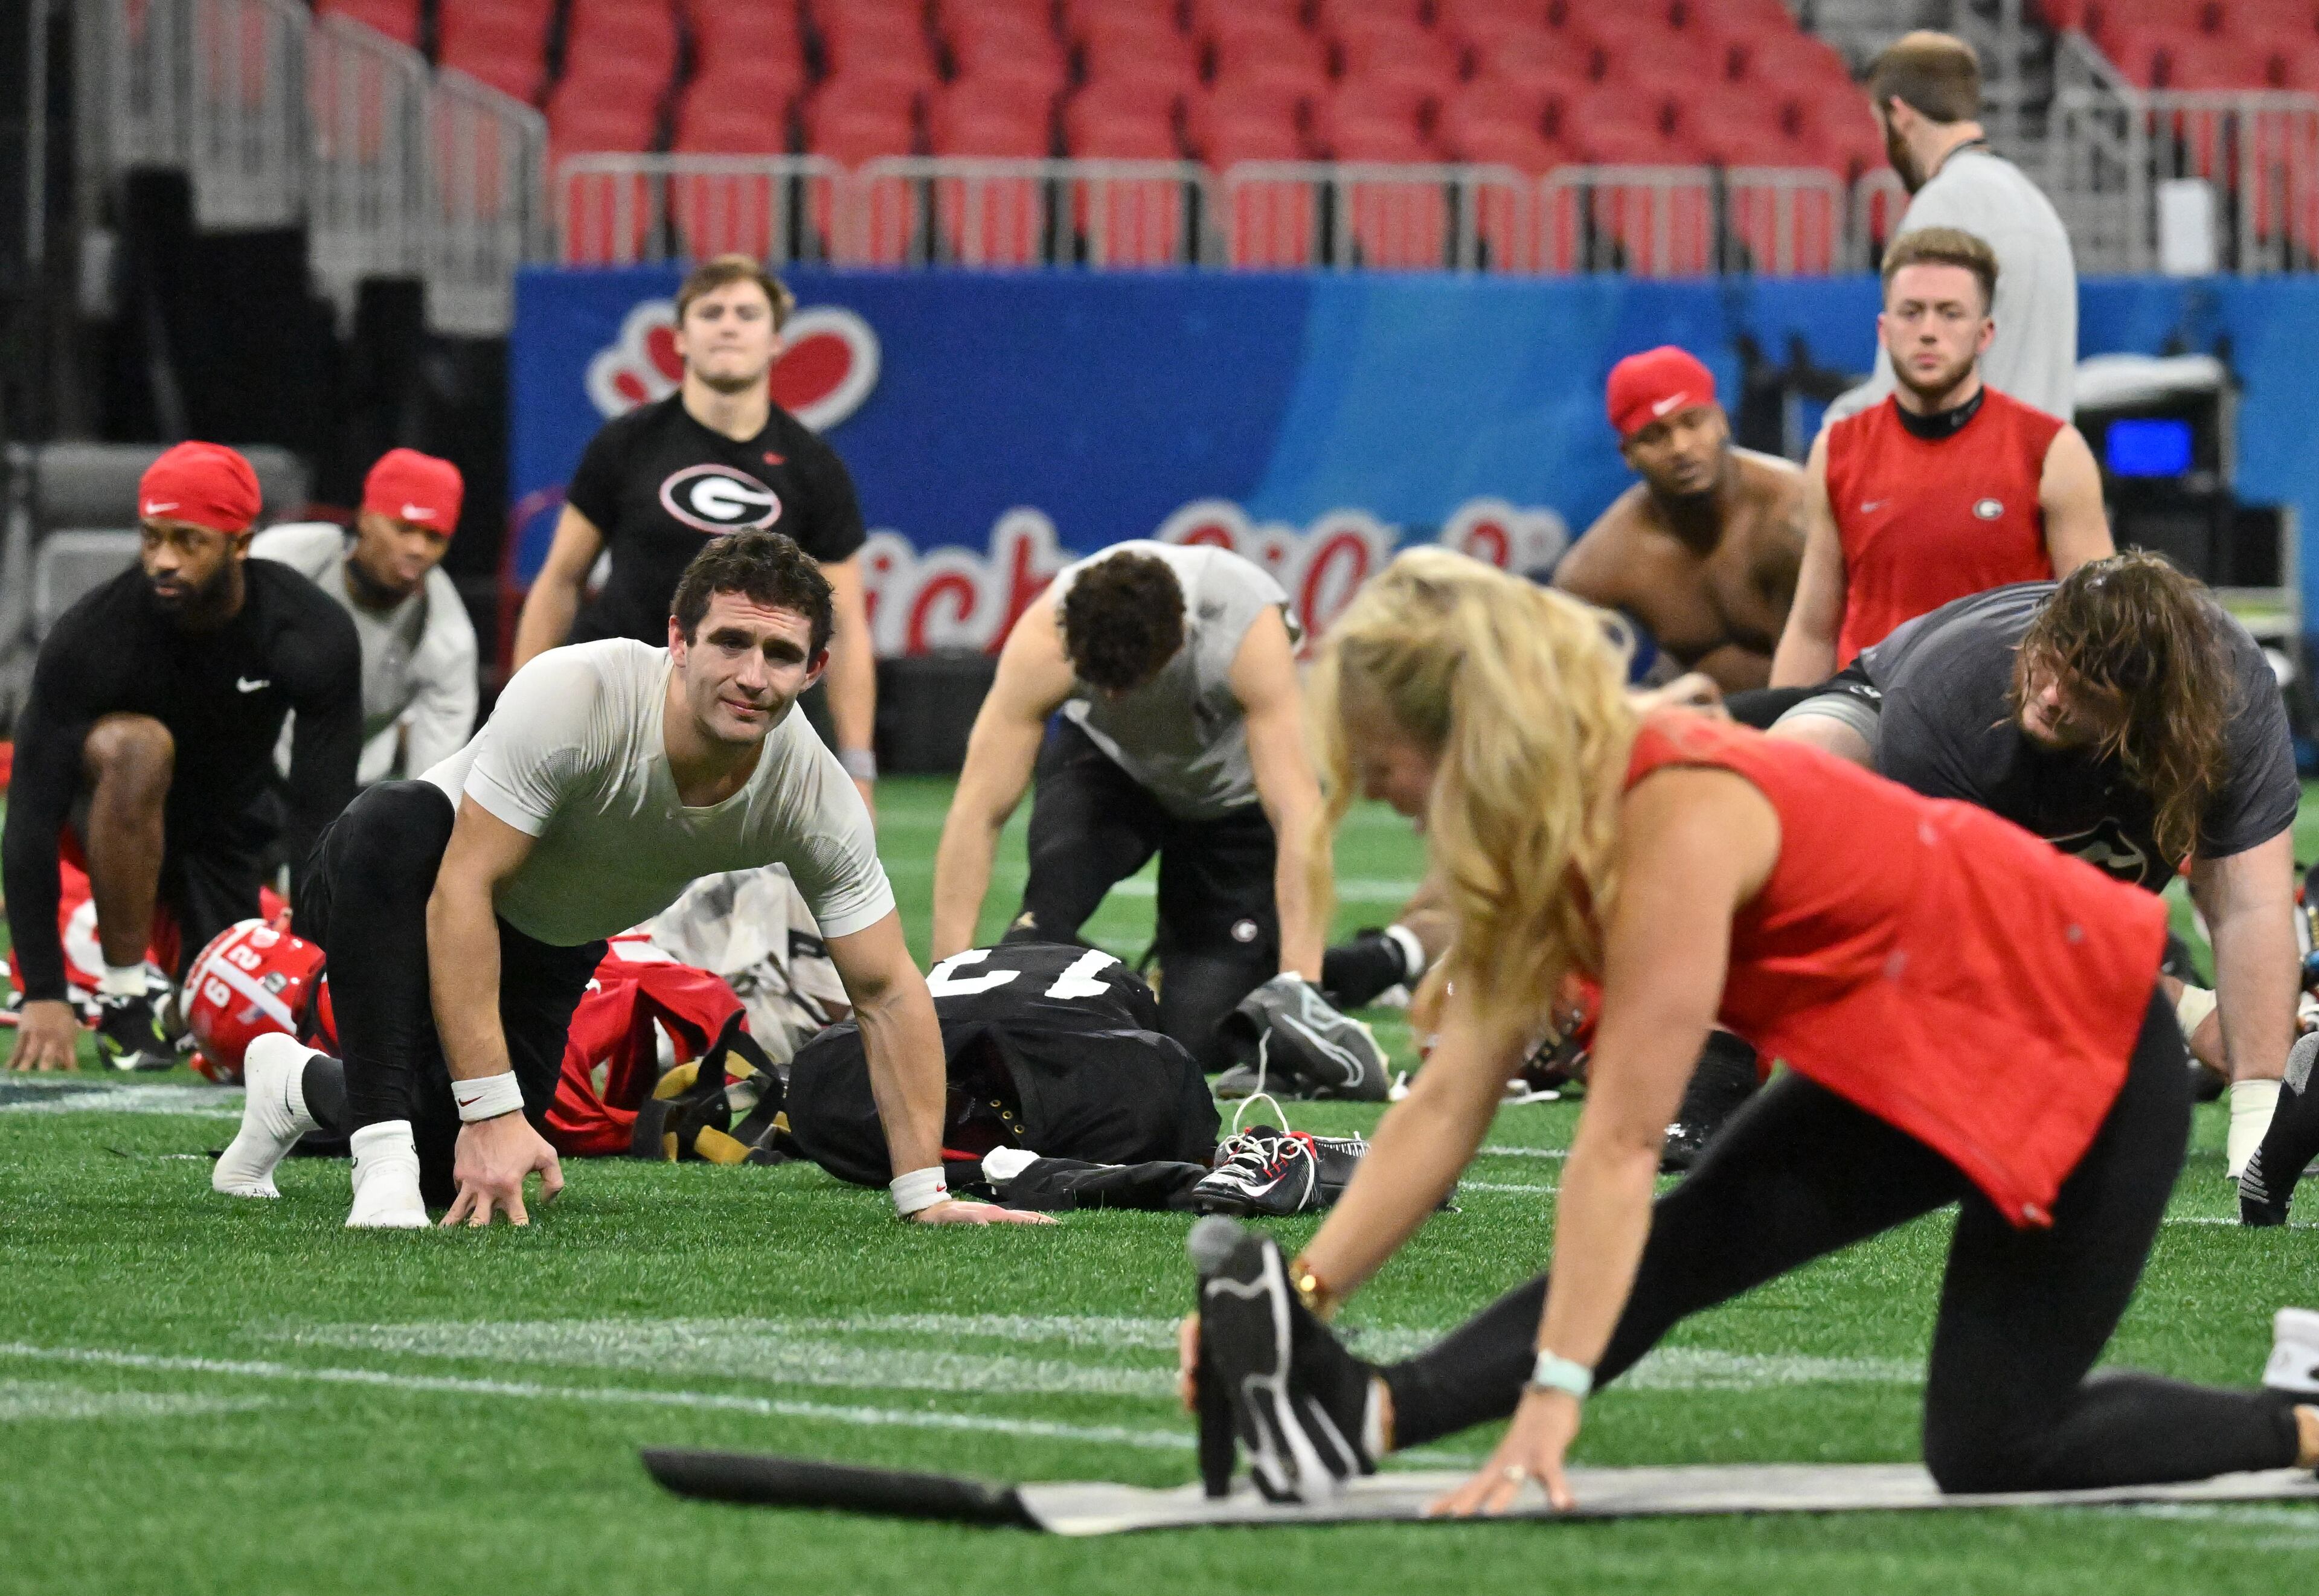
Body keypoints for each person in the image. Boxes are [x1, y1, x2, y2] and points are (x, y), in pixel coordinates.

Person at [1181, 548, 2318, 1510]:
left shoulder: (1671, 809)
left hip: (2086, 1041)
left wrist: (1551, 1400)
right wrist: (1303, 1296)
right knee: (1695, 1239)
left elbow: (1619, 1146)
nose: (1380, 796)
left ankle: (2304, 1422)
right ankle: (1363, 1412)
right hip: (1928, 1032)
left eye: (1386, 766)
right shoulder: (1549, 821)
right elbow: (1444, 1100)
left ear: (1472, 735)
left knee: (1992, 1447)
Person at [213, 530, 1045, 1231]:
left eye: (781, 654)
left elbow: (887, 988)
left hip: (549, 949)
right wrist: (489, 1108)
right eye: (731, 641)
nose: (753, 675)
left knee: (463, 1172)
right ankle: (380, 1158)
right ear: (678, 639)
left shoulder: (812, 792)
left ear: (815, 668)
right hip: (400, 892)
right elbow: (460, 888)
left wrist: (924, 1192)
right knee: (395, 821)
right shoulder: (578, 692)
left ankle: (297, 1083)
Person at [1773, 556, 2300, 1203]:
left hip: (2106, 806)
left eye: (2087, 687)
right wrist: (2180, 1009)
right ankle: (1722, 1060)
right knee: (1782, 782)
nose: (2051, 695)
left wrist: (2261, 1110)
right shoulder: (1950, 690)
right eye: (2052, 662)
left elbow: (2252, 905)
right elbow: (1952, 936)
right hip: (1913, 743)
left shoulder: (2233, 705)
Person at [3, 443, 360, 1072]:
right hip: (98, 829)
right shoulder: (93, 636)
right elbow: (30, 814)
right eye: (151, 538)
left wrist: (314, 973)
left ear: (240, 544)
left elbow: (320, 814)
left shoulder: (310, 631)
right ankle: (118, 997)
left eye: (188, 541)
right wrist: (44, 994)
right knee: (141, 747)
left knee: (238, 1038)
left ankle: (164, 996)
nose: (163, 560)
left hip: (225, 832)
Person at [931, 541, 1338, 1077]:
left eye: (1131, 682)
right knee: (1033, 943)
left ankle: (1377, 960)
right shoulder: (1046, 637)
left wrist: (1299, 989)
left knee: (1201, 1036)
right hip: (1112, 771)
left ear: (1179, 641)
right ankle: (1115, 978)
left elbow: (1297, 812)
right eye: (1102, 682)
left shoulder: (1242, 628)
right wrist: (943, 982)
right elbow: (977, 810)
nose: (1118, 698)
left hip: (1230, 802)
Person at [511, 254, 880, 813]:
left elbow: (846, 627)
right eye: (711, 312)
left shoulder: (815, 468)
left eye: (747, 313)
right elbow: (560, 582)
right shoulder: (625, 444)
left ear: (776, 341)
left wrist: (857, 766)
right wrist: (519, 716)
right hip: (621, 709)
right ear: (680, 339)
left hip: (747, 717)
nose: (729, 325)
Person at [1771, 227, 2112, 688]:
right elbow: (1814, 628)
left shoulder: (2053, 451)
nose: (1929, 331)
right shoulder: (1836, 450)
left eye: (1950, 314)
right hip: (1871, 703)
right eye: (1911, 313)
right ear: (1884, 331)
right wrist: (1780, 752)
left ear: (1984, 333)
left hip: (1996, 711)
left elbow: (2097, 627)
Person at [1825, 30, 2077, 425]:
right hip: (2042, 470)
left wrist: (1836, 433)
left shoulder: (1943, 206)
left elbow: (1909, 384)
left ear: (1901, 116)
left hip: (1969, 478)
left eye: (1880, 125)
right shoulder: (2035, 203)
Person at [1553, 347, 1805, 709]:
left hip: (1812, 713)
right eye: (1654, 436)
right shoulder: (1598, 567)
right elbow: (1558, 691)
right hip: (1695, 728)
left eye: (1692, 422)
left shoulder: (1791, 512)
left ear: (1721, 421)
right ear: (1628, 454)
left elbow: (1832, 655)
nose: (1681, 448)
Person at [252, 447, 478, 786]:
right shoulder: (278, 560)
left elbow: (430, 785)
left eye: (435, 537)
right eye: (404, 528)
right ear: (365, 518)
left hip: (355, 786)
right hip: (248, 755)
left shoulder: (449, 637)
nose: (418, 549)